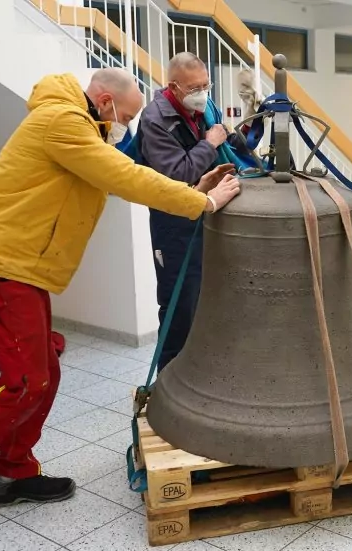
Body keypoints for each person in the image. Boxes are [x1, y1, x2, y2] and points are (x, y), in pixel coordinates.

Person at [0, 67, 241, 520]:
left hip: (23, 269)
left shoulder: (78, 123)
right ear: (104, 101)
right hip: (2, 267)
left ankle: (14, 474)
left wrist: (190, 190)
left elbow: (119, 176)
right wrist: (203, 202)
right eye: (124, 116)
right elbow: (124, 174)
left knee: (45, 374)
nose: (123, 127)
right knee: (24, 380)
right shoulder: (61, 123)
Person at [138, 53, 250, 370]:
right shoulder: (155, 120)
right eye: (194, 87)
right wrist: (211, 144)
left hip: (207, 215)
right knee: (179, 304)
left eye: (206, 84)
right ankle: (167, 385)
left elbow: (227, 145)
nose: (202, 92)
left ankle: (199, 378)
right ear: (173, 86)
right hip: (173, 224)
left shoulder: (204, 107)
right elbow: (178, 174)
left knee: (206, 300)